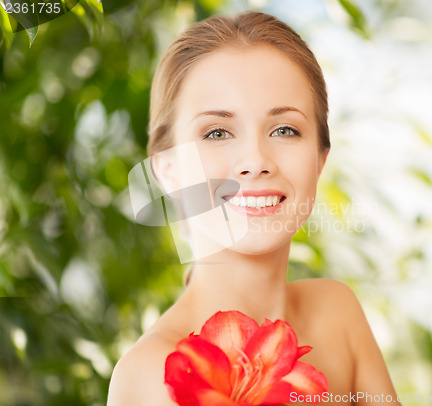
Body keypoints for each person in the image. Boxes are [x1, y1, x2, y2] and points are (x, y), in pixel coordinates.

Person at [107, 11, 400, 406]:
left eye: (284, 130)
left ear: (320, 160)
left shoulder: (338, 311)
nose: (256, 159)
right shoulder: (151, 373)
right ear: (169, 171)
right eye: (217, 132)